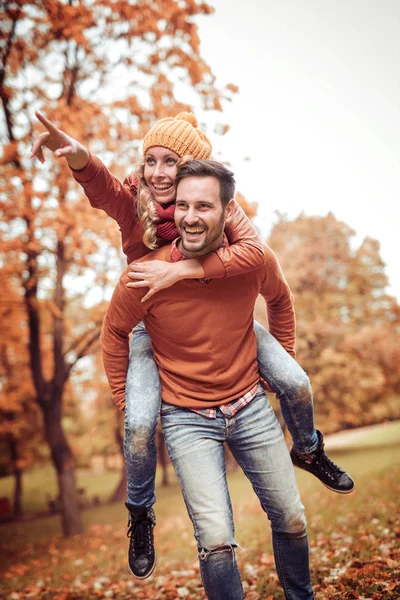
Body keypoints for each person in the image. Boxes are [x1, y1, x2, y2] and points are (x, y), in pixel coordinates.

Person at [31, 113, 354, 581]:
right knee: (139, 421)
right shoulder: (136, 202)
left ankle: (307, 448)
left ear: (195, 173)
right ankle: (140, 514)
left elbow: (255, 255)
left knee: (293, 378)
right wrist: (76, 154)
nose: (159, 172)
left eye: (171, 162)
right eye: (150, 161)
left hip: (224, 315)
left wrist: (181, 270)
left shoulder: (218, 207)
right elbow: (99, 185)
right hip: (149, 318)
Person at [101, 158, 318, 599]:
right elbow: (114, 335)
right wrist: (130, 407)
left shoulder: (253, 261)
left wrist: (283, 361)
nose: (190, 217)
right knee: (216, 541)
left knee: (292, 518)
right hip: (187, 420)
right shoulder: (145, 275)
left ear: (227, 211)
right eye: (182, 206)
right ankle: (140, 515)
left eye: (203, 206)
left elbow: (281, 300)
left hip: (250, 406)